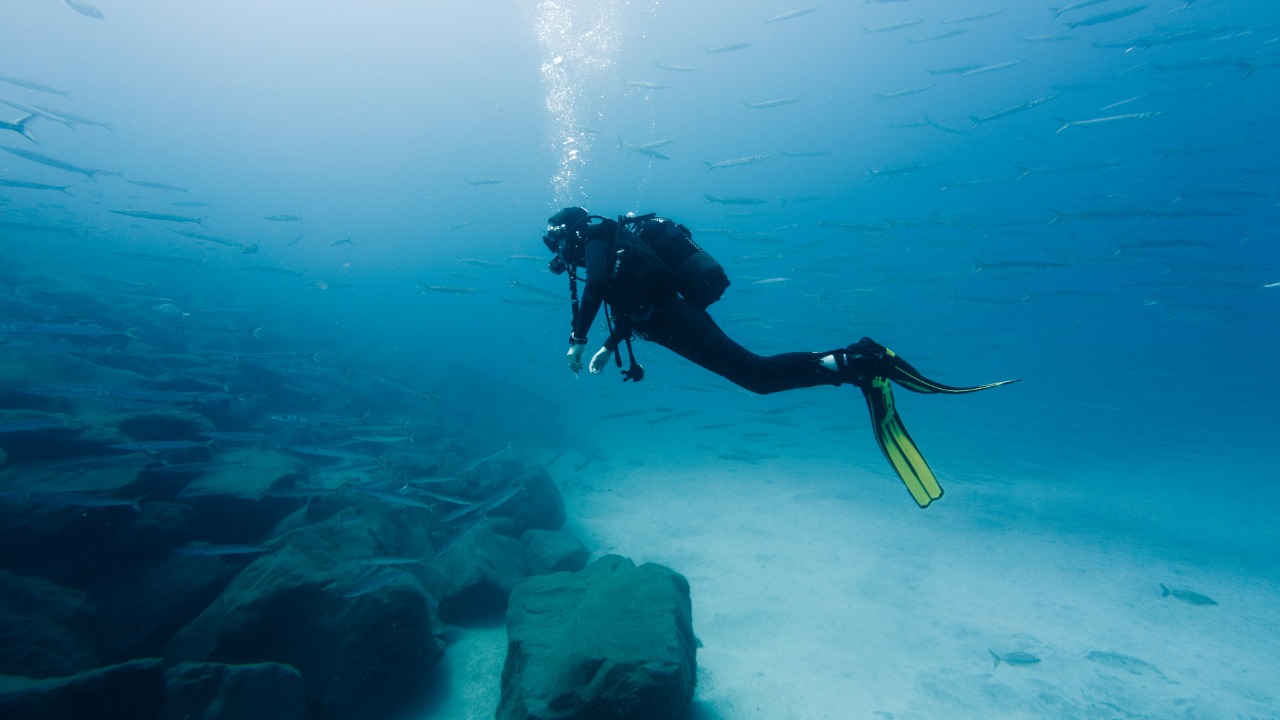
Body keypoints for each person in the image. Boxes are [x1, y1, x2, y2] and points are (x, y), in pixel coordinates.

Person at [540, 206, 1016, 508]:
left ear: (566, 231)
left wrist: (580, 337)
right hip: (664, 320)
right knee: (757, 379)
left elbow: (603, 285)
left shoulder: (599, 232)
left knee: (757, 375)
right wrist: (608, 344)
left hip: (673, 316)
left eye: (554, 243)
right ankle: (847, 366)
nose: (559, 256)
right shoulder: (607, 242)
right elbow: (625, 293)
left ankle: (858, 360)